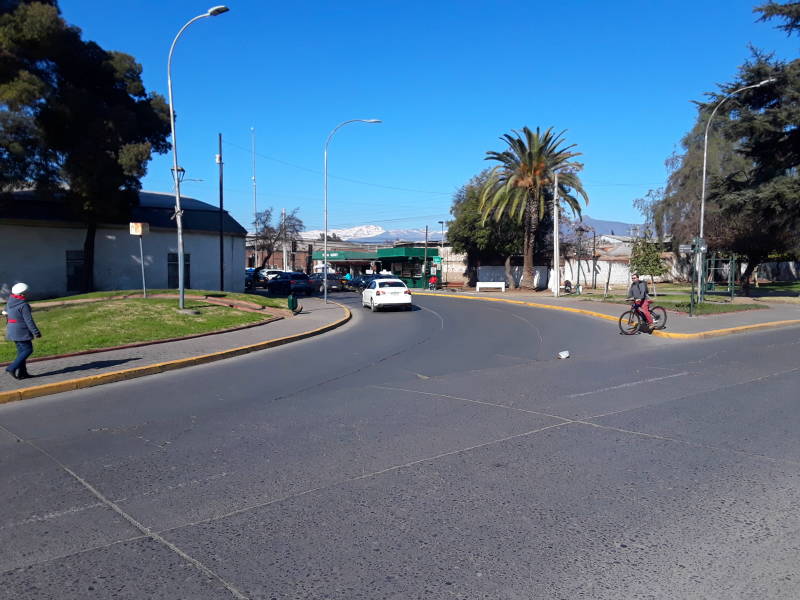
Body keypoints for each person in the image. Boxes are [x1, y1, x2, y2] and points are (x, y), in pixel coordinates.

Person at [4, 282, 41, 380]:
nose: (27, 294)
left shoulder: (10, 301)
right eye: (26, 293)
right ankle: (11, 368)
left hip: (12, 330)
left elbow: (5, 312)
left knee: (21, 352)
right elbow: (29, 320)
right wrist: (36, 332)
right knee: (28, 350)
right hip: (21, 331)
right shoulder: (23, 305)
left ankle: (22, 373)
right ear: (22, 294)